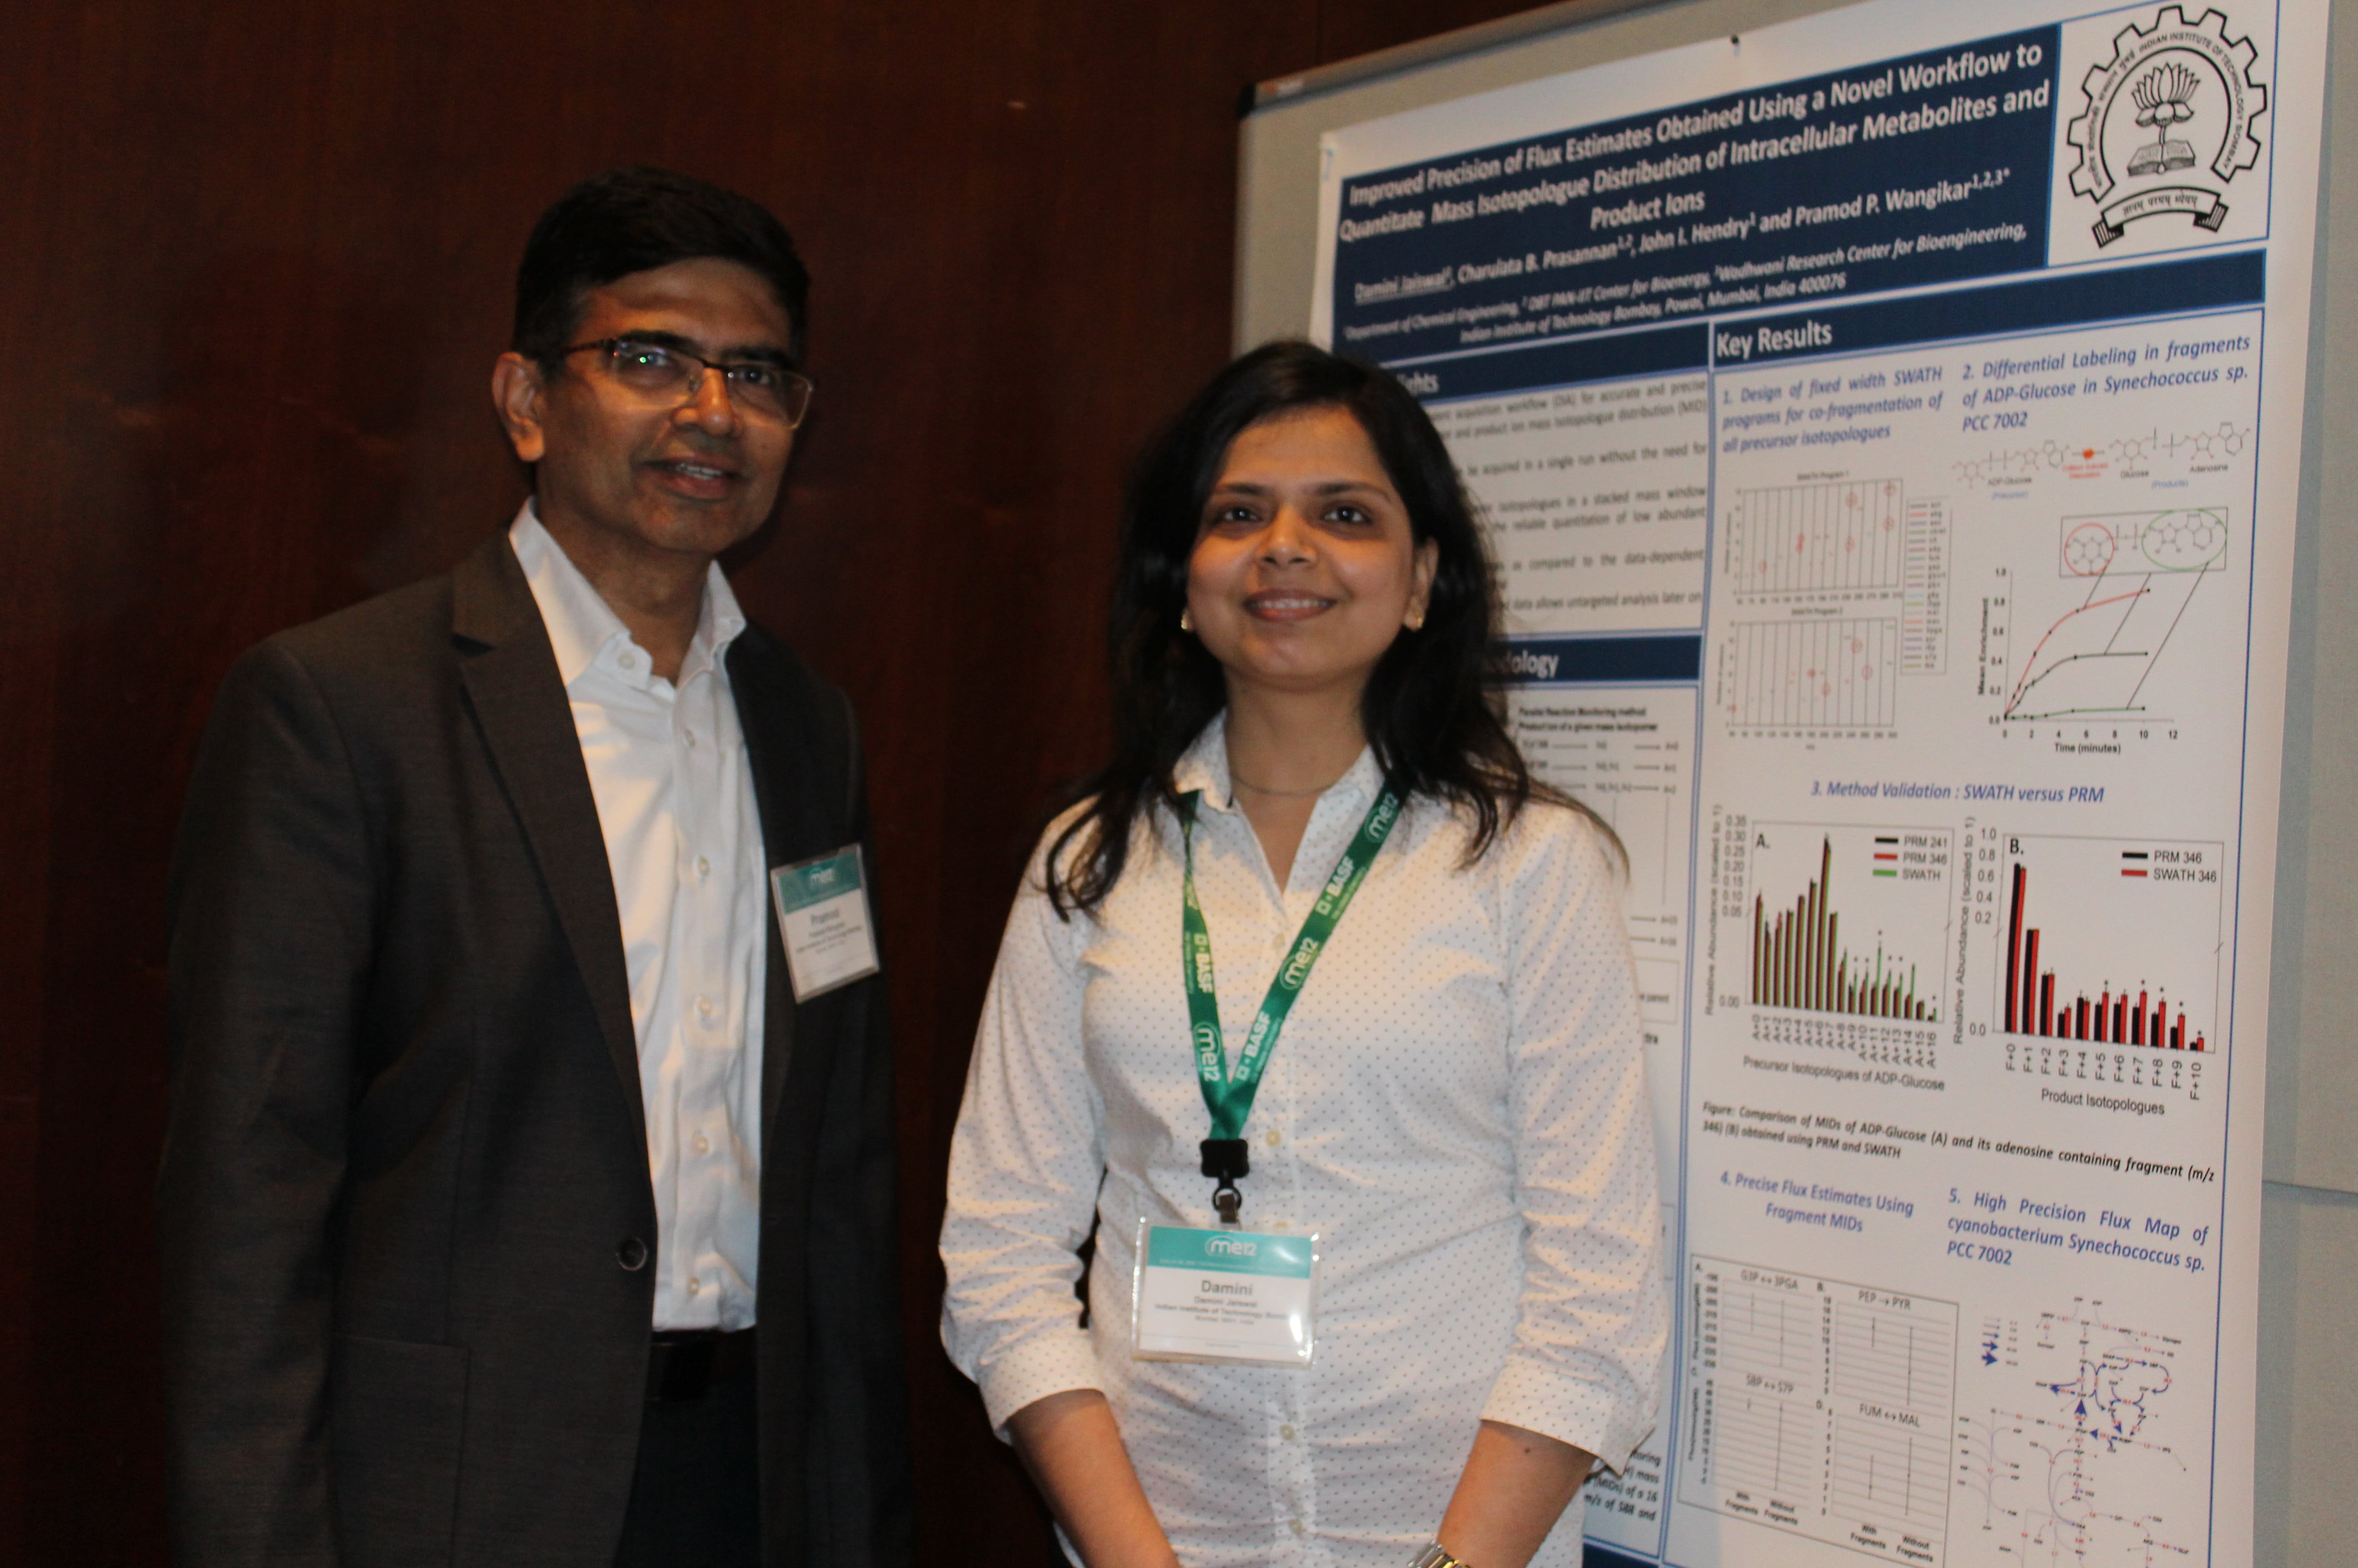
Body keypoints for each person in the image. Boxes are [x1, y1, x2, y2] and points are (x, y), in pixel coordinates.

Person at [158, 166, 912, 1568]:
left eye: (756, 374)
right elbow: (248, 1198)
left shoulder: (812, 728)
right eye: (650, 360)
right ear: (525, 400)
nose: (711, 411)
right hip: (453, 1496)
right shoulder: (342, 708)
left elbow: (844, 1175)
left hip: (750, 1481)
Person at [940, 341, 1667, 1568]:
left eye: (1345, 514)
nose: (1285, 547)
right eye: (1239, 514)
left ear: (1422, 579)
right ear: (1185, 579)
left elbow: (1598, 1282)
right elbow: (1001, 1254)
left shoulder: (1527, 863)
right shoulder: (1092, 864)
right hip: (1158, 1540)